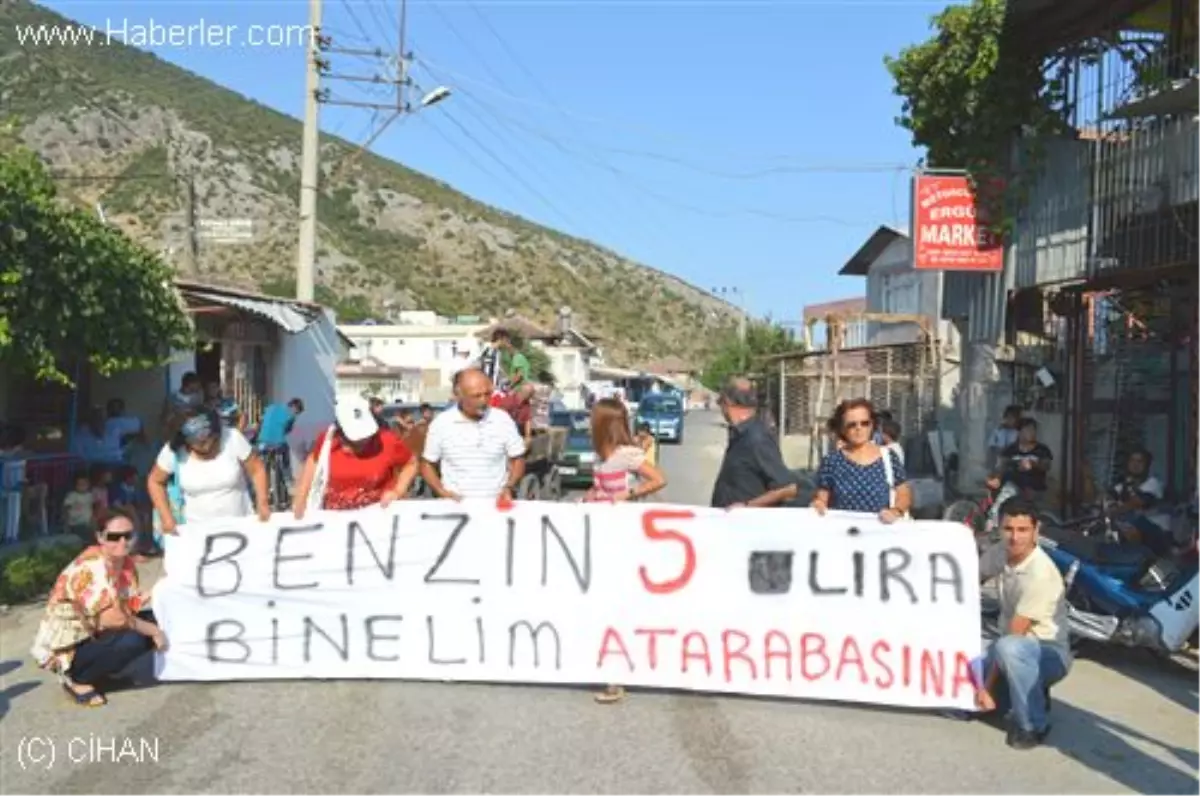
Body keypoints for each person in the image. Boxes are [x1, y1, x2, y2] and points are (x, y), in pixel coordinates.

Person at [30, 508, 165, 707]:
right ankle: (77, 679)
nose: (122, 542)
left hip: (93, 632)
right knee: (136, 638)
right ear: (100, 537)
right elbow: (115, 619)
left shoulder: (124, 562)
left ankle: (101, 673)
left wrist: (159, 591)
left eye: (128, 536)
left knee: (159, 617)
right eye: (114, 537)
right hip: (70, 645)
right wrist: (154, 632)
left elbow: (125, 605)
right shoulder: (92, 567)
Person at [586, 398, 667, 705]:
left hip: (626, 540)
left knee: (618, 607)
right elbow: (600, 490)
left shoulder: (626, 456)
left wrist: (626, 494)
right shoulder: (602, 457)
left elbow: (659, 479)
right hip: (605, 539)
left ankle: (617, 677)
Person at [975, 498, 1071, 749]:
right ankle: (1029, 693)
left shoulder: (1041, 573)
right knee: (960, 706)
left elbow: (1014, 636)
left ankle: (1033, 725)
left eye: (1023, 530)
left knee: (1008, 649)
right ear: (999, 529)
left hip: (1046, 653)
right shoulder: (1000, 551)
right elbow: (971, 578)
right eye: (1008, 529)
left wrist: (986, 687)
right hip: (1010, 648)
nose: (1015, 538)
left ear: (1036, 531)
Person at [147, 407, 270, 536]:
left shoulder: (232, 437)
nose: (206, 446)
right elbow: (155, 481)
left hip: (240, 526)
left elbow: (257, 469)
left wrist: (262, 502)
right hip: (197, 533)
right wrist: (166, 517)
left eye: (210, 440)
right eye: (198, 443)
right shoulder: (174, 451)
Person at [292, 396, 417, 516]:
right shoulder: (327, 441)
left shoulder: (387, 441)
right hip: (335, 519)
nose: (364, 440)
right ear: (340, 431)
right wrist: (301, 497)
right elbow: (313, 461)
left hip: (379, 516)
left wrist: (398, 491)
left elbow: (411, 463)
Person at [421, 368, 526, 501]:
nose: (483, 400)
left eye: (487, 394)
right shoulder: (441, 423)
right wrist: (441, 491)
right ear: (459, 395)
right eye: (476, 396)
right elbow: (427, 465)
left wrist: (509, 487)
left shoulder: (502, 420)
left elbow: (518, 459)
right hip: (456, 510)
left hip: (495, 506)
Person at [811, 398, 912, 522]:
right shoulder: (831, 462)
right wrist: (818, 505)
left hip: (881, 534)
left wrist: (895, 511)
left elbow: (903, 494)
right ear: (842, 429)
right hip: (842, 534)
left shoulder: (889, 457)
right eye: (851, 425)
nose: (859, 428)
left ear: (872, 425)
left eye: (864, 423)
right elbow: (822, 499)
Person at [710, 378, 799, 509]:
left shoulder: (757, 438)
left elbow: (788, 489)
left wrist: (747, 507)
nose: (721, 409)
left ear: (728, 402)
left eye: (720, 403)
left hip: (748, 524)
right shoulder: (739, 434)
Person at [1109, 448, 1173, 555]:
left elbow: (1136, 503)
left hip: (1158, 536)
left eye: (1139, 461)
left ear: (1147, 465)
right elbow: (1107, 496)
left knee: (1131, 521)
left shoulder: (1154, 484)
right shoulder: (1124, 485)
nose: (1135, 465)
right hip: (1140, 535)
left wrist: (1113, 511)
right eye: (1132, 460)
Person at [987, 418, 1053, 517]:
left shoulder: (1042, 450)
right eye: (1027, 430)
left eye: (1033, 430)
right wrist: (996, 477)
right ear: (1019, 432)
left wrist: (1033, 464)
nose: (1031, 433)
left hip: (1034, 487)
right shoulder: (1011, 450)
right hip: (1012, 485)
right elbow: (1000, 466)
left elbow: (1047, 466)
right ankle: (995, 515)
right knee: (1007, 483)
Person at [63, 473, 96, 540]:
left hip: (88, 522)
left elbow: (92, 508)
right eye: (80, 484)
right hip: (76, 523)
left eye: (84, 484)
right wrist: (66, 523)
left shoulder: (90, 496)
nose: (82, 487)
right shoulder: (72, 495)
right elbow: (66, 509)